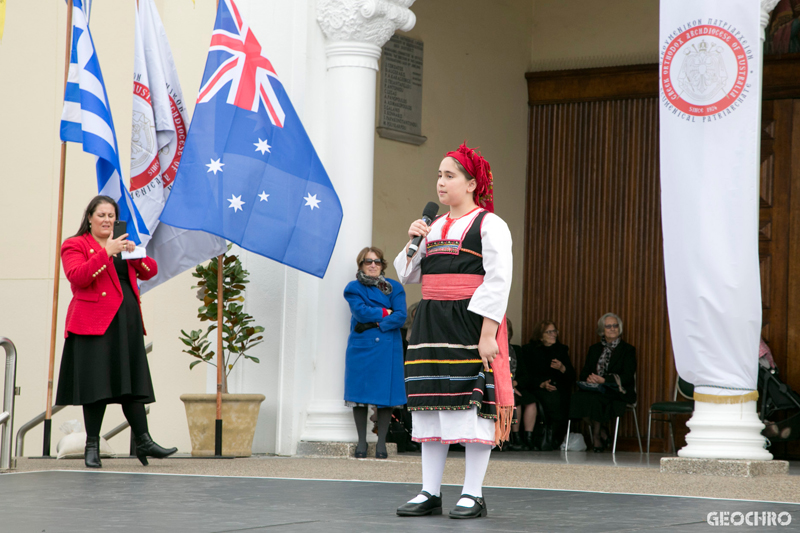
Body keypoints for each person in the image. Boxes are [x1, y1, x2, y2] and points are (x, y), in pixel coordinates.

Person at [394, 143, 513, 519]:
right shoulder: (432, 228)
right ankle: (430, 491)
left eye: (450, 176)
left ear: (472, 183)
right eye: (439, 175)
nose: (440, 183)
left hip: (468, 321)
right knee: (431, 402)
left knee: (473, 405)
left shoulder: (489, 224)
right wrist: (413, 240)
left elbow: (498, 281)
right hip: (430, 321)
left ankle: (472, 493)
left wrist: (488, 333)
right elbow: (407, 274)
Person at [55, 195, 176, 468]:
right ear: (89, 218)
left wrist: (134, 253)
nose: (107, 220)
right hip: (93, 324)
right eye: (101, 215)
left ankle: (144, 440)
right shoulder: (75, 245)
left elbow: (150, 271)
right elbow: (78, 277)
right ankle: (92, 446)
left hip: (126, 323)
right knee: (96, 385)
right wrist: (105, 252)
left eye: (112, 216)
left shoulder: (123, 244)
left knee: (130, 383)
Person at [344, 247, 407, 459]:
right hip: (361, 346)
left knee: (385, 397)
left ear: (383, 265)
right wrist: (384, 312)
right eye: (368, 262)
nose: (373, 265)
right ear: (360, 265)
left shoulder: (395, 288)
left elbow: (400, 316)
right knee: (359, 396)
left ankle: (381, 443)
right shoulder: (353, 288)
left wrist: (378, 322)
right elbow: (360, 312)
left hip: (387, 346)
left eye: (377, 262)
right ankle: (361, 443)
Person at [568, 312, 636, 452]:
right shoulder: (594, 349)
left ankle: (597, 436)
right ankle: (601, 430)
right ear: (602, 330)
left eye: (615, 326)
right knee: (577, 398)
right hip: (595, 388)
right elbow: (584, 372)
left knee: (596, 400)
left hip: (617, 391)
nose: (612, 329)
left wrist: (604, 380)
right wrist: (590, 378)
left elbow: (627, 376)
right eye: (608, 326)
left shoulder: (628, 350)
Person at [515, 320, 575, 450]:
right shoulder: (529, 351)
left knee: (565, 400)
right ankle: (544, 438)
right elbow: (527, 375)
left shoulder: (561, 350)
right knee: (549, 400)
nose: (554, 334)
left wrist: (562, 368)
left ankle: (556, 437)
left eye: (555, 331)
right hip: (536, 388)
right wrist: (541, 384)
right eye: (550, 332)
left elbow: (571, 376)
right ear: (540, 336)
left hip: (558, 388)